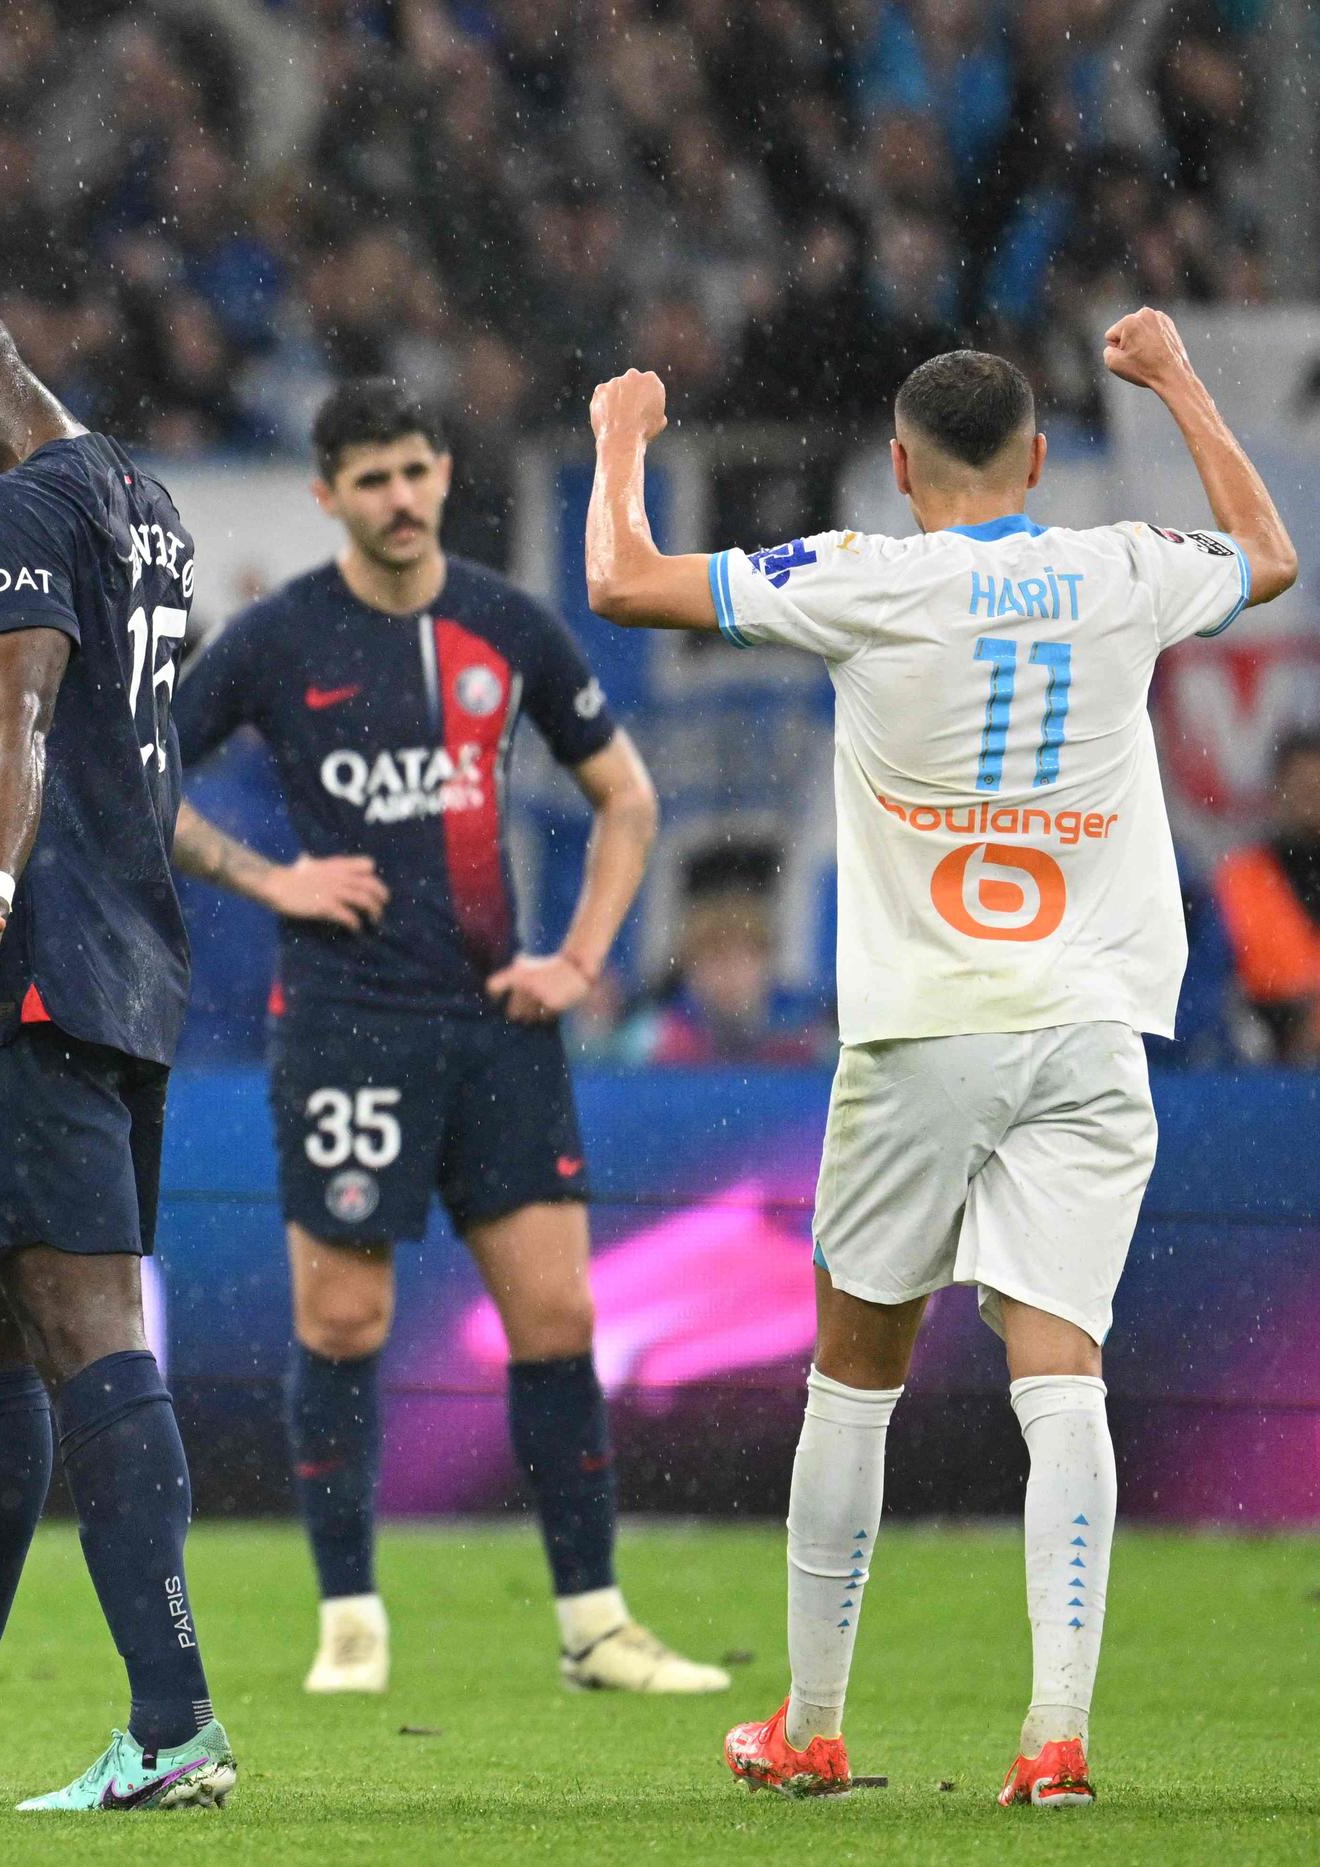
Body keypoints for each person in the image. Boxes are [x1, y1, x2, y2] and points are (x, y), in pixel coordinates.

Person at [584, 313, 1295, 1807]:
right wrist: (1173, 383)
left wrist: (622, 440)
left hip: (927, 1026)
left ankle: (816, 1723)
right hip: (1093, 1023)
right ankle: (1054, 1733)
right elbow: (1269, 554)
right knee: (1063, 1372)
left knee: (854, 1376)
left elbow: (621, 581)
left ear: (903, 469)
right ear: (1038, 460)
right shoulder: (1117, 567)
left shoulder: (869, 574)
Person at [168, 380, 725, 1698]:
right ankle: (350, 1616)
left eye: (417, 470)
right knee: (345, 1312)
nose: (401, 498)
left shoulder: (505, 621)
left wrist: (582, 956)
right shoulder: (277, 636)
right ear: (328, 496)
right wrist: (272, 879)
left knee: (558, 1311)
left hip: (497, 1024)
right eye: (372, 480)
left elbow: (625, 798)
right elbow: (138, 774)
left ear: (440, 472)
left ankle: (595, 1621)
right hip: (347, 1020)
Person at [0, 293, 236, 1808]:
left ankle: (172, 1720)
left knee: (84, 1329)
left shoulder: (8, 509)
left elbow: (16, 719)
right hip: (130, 953)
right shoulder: (137, 492)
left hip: (35, 965)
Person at [1211, 725, 1320, 1062]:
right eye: (1301, 785)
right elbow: (1212, 986)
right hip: (1263, 1060)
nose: (1310, 798)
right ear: (1278, 790)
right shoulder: (1238, 879)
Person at [628, 892, 835, 1067]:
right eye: (714, 960)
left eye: (741, 960)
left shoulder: (801, 1031)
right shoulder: (656, 1036)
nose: (727, 974)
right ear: (689, 971)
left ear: (766, 963)